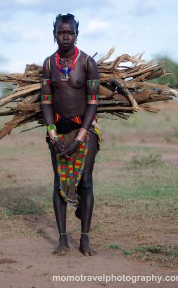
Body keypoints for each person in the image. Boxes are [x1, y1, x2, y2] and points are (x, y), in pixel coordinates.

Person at [41, 13, 100, 256]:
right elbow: (45, 102)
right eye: (60, 32)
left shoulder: (87, 63)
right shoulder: (48, 64)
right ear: (54, 34)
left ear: (77, 34)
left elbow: (93, 101)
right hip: (57, 130)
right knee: (59, 185)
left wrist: (81, 136)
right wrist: (53, 134)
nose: (65, 36)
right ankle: (63, 238)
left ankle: (84, 238)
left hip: (85, 129)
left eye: (70, 32)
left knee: (85, 181)